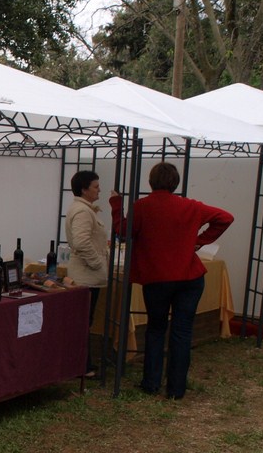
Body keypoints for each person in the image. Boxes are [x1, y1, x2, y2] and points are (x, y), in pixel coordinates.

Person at [110, 162, 233, 400]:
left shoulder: (143, 207)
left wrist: (116, 205)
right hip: (190, 277)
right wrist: (201, 240)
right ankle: (176, 389)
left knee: (156, 329)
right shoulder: (190, 206)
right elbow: (226, 217)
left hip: (157, 279)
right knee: (182, 332)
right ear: (175, 182)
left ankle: (151, 383)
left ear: (151, 181)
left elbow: (122, 232)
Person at [65, 170, 109, 376]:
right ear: (84, 189)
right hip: (86, 275)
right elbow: (81, 242)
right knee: (83, 320)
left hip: (87, 274)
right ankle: (81, 365)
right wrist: (97, 263)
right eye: (95, 186)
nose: (99, 189)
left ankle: (83, 363)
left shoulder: (84, 209)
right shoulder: (83, 211)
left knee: (84, 320)